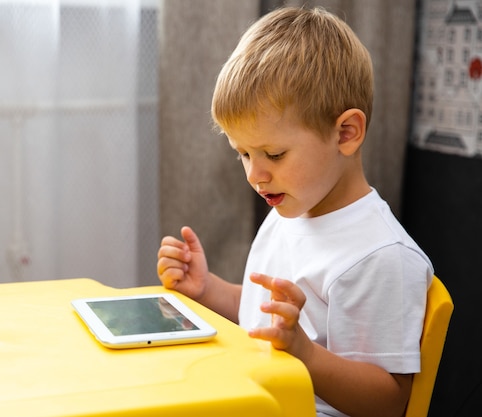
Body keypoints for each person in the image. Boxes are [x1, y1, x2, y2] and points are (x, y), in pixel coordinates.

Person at [156, 6, 433, 417]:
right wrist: (207, 289)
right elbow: (266, 318)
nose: (256, 174)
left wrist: (304, 353)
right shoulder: (294, 206)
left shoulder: (380, 256)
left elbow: (390, 402)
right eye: (243, 154)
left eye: (274, 153)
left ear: (346, 133)